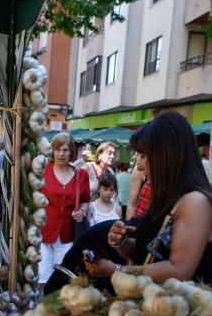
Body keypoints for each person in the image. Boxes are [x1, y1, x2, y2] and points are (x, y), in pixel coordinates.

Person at [81, 112, 212, 285]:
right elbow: (148, 253)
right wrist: (122, 242)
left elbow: (179, 271)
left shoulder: (195, 201)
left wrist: (116, 270)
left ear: (165, 154)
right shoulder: (170, 197)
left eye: (143, 155)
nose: (140, 165)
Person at [38, 132, 90, 285]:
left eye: (65, 150)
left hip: (68, 235)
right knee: (42, 278)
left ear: (71, 152)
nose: (61, 154)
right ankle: (37, 308)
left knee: (61, 279)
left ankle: (53, 308)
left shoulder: (81, 175)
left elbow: (86, 200)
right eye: (57, 149)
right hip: (43, 232)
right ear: (52, 151)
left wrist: (82, 211)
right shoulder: (41, 172)